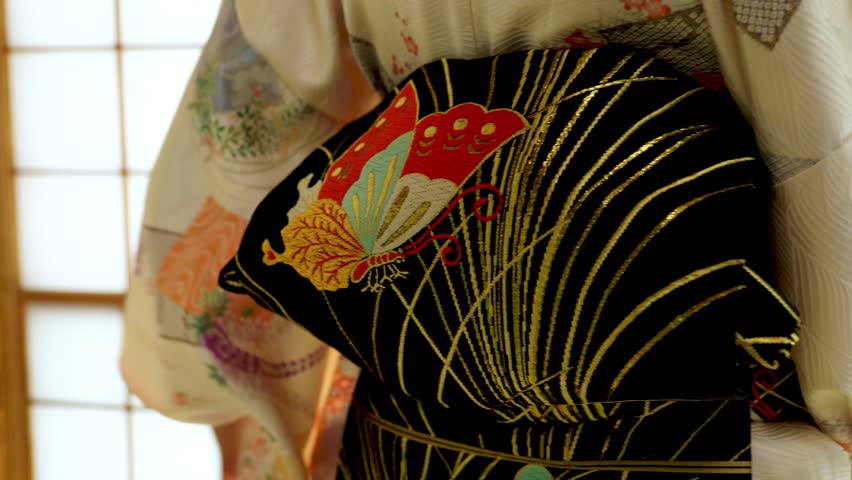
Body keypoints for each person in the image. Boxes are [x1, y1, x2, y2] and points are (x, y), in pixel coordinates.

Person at [122, 0, 852, 478]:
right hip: (705, 414)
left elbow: (260, 114)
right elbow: (823, 137)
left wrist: (227, 377)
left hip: (426, 425)